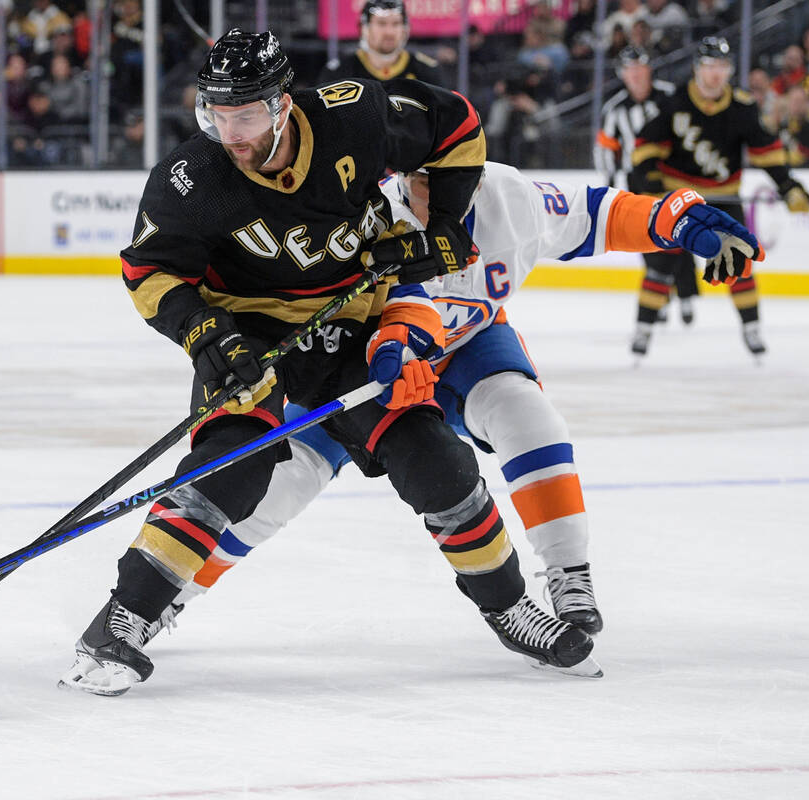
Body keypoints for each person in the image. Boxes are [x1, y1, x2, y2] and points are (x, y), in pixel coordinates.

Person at [60, 29, 596, 698]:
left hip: (353, 320)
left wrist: (448, 226)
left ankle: (509, 607)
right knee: (232, 466)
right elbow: (148, 272)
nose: (231, 133)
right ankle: (122, 618)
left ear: (284, 105)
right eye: (217, 116)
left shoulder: (354, 117)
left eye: (246, 116)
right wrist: (208, 338)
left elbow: (455, 124)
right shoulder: (191, 177)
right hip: (247, 334)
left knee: (437, 460)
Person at [141, 164, 763, 651]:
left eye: (443, 176)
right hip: (362, 363)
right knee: (283, 483)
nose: (426, 194)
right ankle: (172, 592)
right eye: (414, 178)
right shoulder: (362, 211)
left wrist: (685, 222)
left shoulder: (508, 197)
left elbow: (603, 213)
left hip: (465, 348)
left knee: (527, 415)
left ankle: (569, 574)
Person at [630, 36, 809, 360]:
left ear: (729, 70)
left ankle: (752, 328)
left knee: (737, 260)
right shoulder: (676, 103)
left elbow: (766, 151)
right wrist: (651, 181)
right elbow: (645, 145)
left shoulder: (742, 107)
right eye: (709, 66)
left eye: (721, 67)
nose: (715, 74)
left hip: (724, 199)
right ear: (697, 69)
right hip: (680, 199)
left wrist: (789, 186)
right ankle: (643, 330)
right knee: (660, 264)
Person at [597, 47, 698, 333]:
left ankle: (686, 294)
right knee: (649, 237)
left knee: (683, 233)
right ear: (622, 74)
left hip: (673, 176)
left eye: (640, 67)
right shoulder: (615, 109)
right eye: (630, 69)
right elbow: (607, 151)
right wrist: (607, 188)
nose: (636, 74)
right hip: (637, 183)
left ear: (649, 69)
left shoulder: (670, 96)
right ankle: (662, 296)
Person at [317, 0, 444, 85]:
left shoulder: (427, 72)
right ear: (364, 28)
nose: (389, 32)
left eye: (396, 24)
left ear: (405, 28)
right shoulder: (339, 73)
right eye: (381, 23)